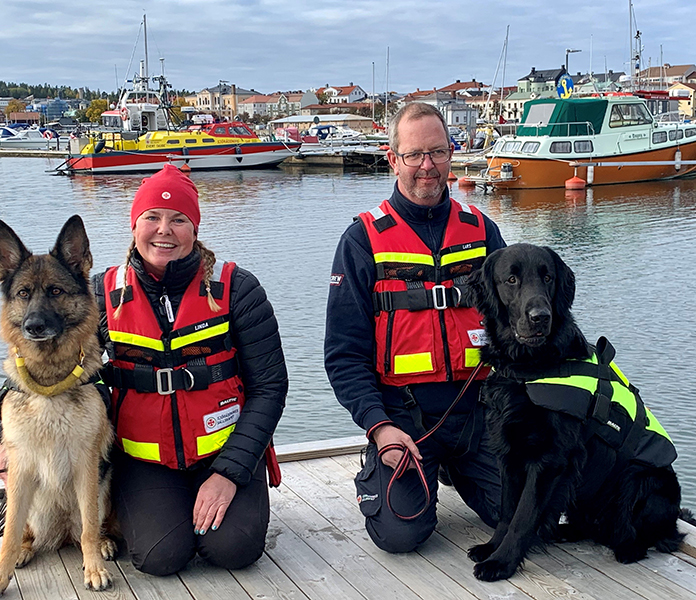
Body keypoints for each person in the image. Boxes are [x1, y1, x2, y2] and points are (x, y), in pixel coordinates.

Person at [324, 102, 506, 553]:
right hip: (404, 420)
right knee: (401, 535)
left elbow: (516, 330)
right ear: (393, 158)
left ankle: (460, 468)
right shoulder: (362, 241)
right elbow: (343, 355)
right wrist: (378, 427)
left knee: (526, 516)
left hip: (480, 413)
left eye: (438, 152)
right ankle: (396, 469)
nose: (427, 166)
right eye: (414, 154)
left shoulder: (483, 232)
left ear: (451, 154)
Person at [92, 164, 288, 574]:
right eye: (152, 217)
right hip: (144, 459)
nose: (164, 229)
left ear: (194, 229)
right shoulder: (101, 294)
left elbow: (270, 388)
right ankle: (162, 508)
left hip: (225, 453)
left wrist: (230, 473)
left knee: (234, 549)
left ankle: (220, 498)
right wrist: (5, 433)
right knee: (160, 557)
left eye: (178, 219)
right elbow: (47, 360)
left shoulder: (238, 290)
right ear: (134, 225)